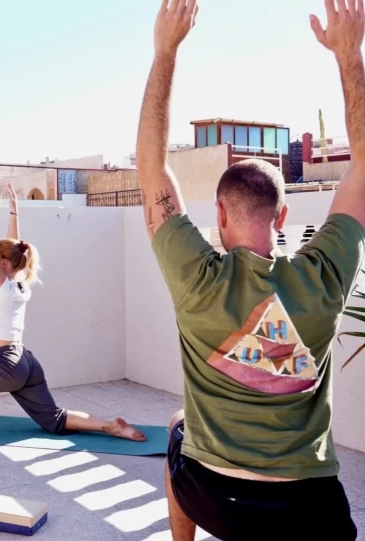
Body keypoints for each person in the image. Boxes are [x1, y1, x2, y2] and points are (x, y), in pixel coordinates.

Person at [137, 1, 365, 539]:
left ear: (218, 214)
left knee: (176, 428)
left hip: (215, 499)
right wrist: (348, 56)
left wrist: (165, 51)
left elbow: (150, 165)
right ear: (282, 216)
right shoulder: (323, 277)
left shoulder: (195, 277)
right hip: (308, 511)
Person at [0, 183, 146, 442]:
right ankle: (110, 426)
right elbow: (14, 248)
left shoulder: (4, 288)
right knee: (53, 417)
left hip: (5, 366)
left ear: (3, 263)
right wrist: (14, 211)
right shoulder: (20, 284)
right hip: (26, 362)